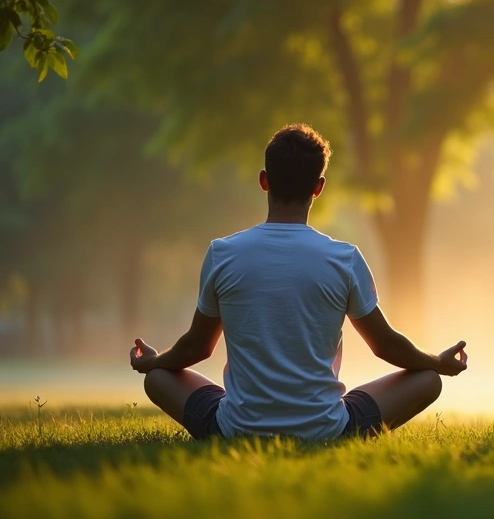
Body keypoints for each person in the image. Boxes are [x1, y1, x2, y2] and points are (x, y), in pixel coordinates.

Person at [129, 124, 468, 440]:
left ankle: (238, 416)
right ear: (318, 187)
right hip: (328, 429)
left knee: (158, 378)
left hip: (234, 428)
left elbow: (197, 348)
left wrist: (153, 361)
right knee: (427, 380)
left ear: (264, 180)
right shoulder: (343, 258)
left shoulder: (223, 253)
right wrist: (437, 363)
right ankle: (327, 422)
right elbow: (386, 346)